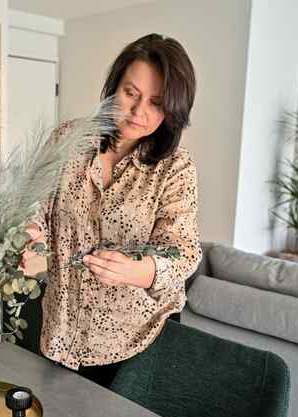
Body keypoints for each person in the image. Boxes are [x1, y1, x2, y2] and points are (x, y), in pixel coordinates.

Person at [24, 33, 203, 388]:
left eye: (156, 102)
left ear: (173, 110)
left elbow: (182, 250)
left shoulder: (176, 168)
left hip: (136, 343)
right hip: (61, 329)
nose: (139, 112)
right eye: (130, 94)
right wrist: (30, 239)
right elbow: (35, 204)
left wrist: (138, 271)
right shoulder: (67, 138)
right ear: (113, 86)